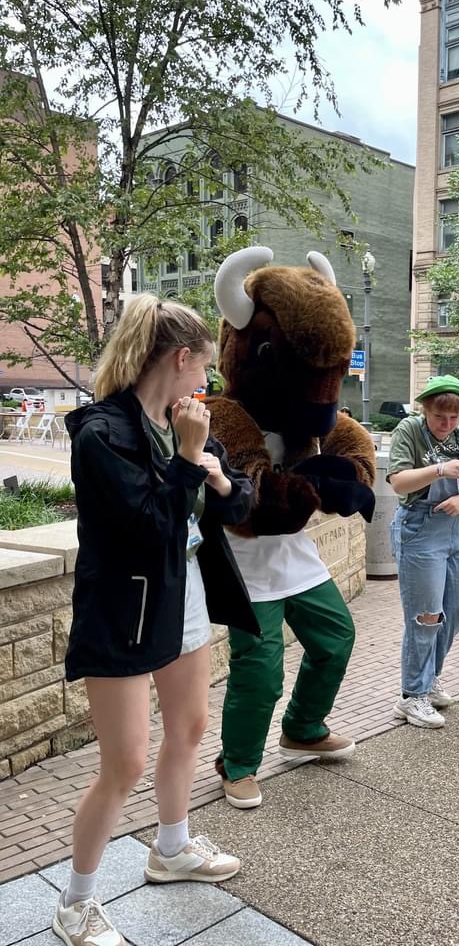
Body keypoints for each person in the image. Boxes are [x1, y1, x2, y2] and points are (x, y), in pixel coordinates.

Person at [54, 295, 260, 946]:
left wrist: (222, 481)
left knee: (191, 726)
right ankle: (75, 904)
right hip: (123, 609)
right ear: (179, 358)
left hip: (185, 593)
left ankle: (171, 849)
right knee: (124, 763)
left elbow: (236, 500)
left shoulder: (186, 422)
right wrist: (185, 458)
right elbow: (149, 525)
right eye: (203, 368)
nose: (206, 383)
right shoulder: (101, 433)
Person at [387, 375, 459, 728]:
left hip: (457, 527)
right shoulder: (409, 430)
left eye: (453, 418)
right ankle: (412, 695)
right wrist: (439, 470)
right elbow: (399, 481)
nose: (447, 425)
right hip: (419, 527)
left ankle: (429, 677)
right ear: (425, 410)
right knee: (425, 615)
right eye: (439, 417)